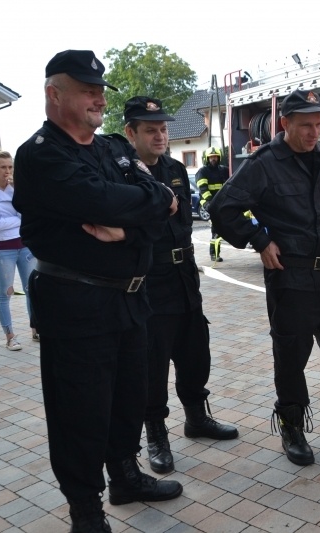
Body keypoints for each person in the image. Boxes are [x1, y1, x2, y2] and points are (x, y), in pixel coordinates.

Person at [12, 50, 182, 532]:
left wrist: (131, 227)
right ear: (54, 94)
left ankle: (126, 476)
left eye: (100, 91)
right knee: (80, 412)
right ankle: (85, 509)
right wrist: (149, 203)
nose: (98, 99)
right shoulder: (42, 154)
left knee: (130, 397)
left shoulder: (111, 149)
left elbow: (157, 208)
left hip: (129, 296)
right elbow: (101, 200)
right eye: (86, 90)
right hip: (76, 303)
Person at [209, 88, 320, 466]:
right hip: (291, 277)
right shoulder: (264, 164)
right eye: (306, 125)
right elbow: (222, 209)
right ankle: (292, 428)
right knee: (291, 358)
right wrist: (259, 240)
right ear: (285, 124)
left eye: (319, 124)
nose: (314, 132)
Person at [122, 96, 238, 475]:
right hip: (150, 283)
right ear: (131, 132)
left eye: (163, 129)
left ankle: (196, 419)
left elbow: (185, 222)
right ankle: (155, 433)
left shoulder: (174, 167)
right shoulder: (123, 175)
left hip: (185, 276)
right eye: (150, 130)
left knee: (194, 354)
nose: (160, 136)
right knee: (153, 364)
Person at [0, 149, 37, 351]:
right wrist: (19, 219)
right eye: (3, 167)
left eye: (10, 167)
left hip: (25, 247)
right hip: (4, 251)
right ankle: (10, 336)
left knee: (32, 290)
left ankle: (35, 329)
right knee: (6, 292)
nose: (7, 171)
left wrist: (18, 190)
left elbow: (31, 212)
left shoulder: (17, 188)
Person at [195, 146, 228, 261]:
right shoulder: (202, 172)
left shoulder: (223, 170)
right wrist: (210, 203)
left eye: (215, 157)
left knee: (223, 228)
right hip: (209, 203)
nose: (213, 159)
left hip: (221, 204)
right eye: (211, 157)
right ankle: (214, 254)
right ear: (207, 159)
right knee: (216, 229)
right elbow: (203, 189)